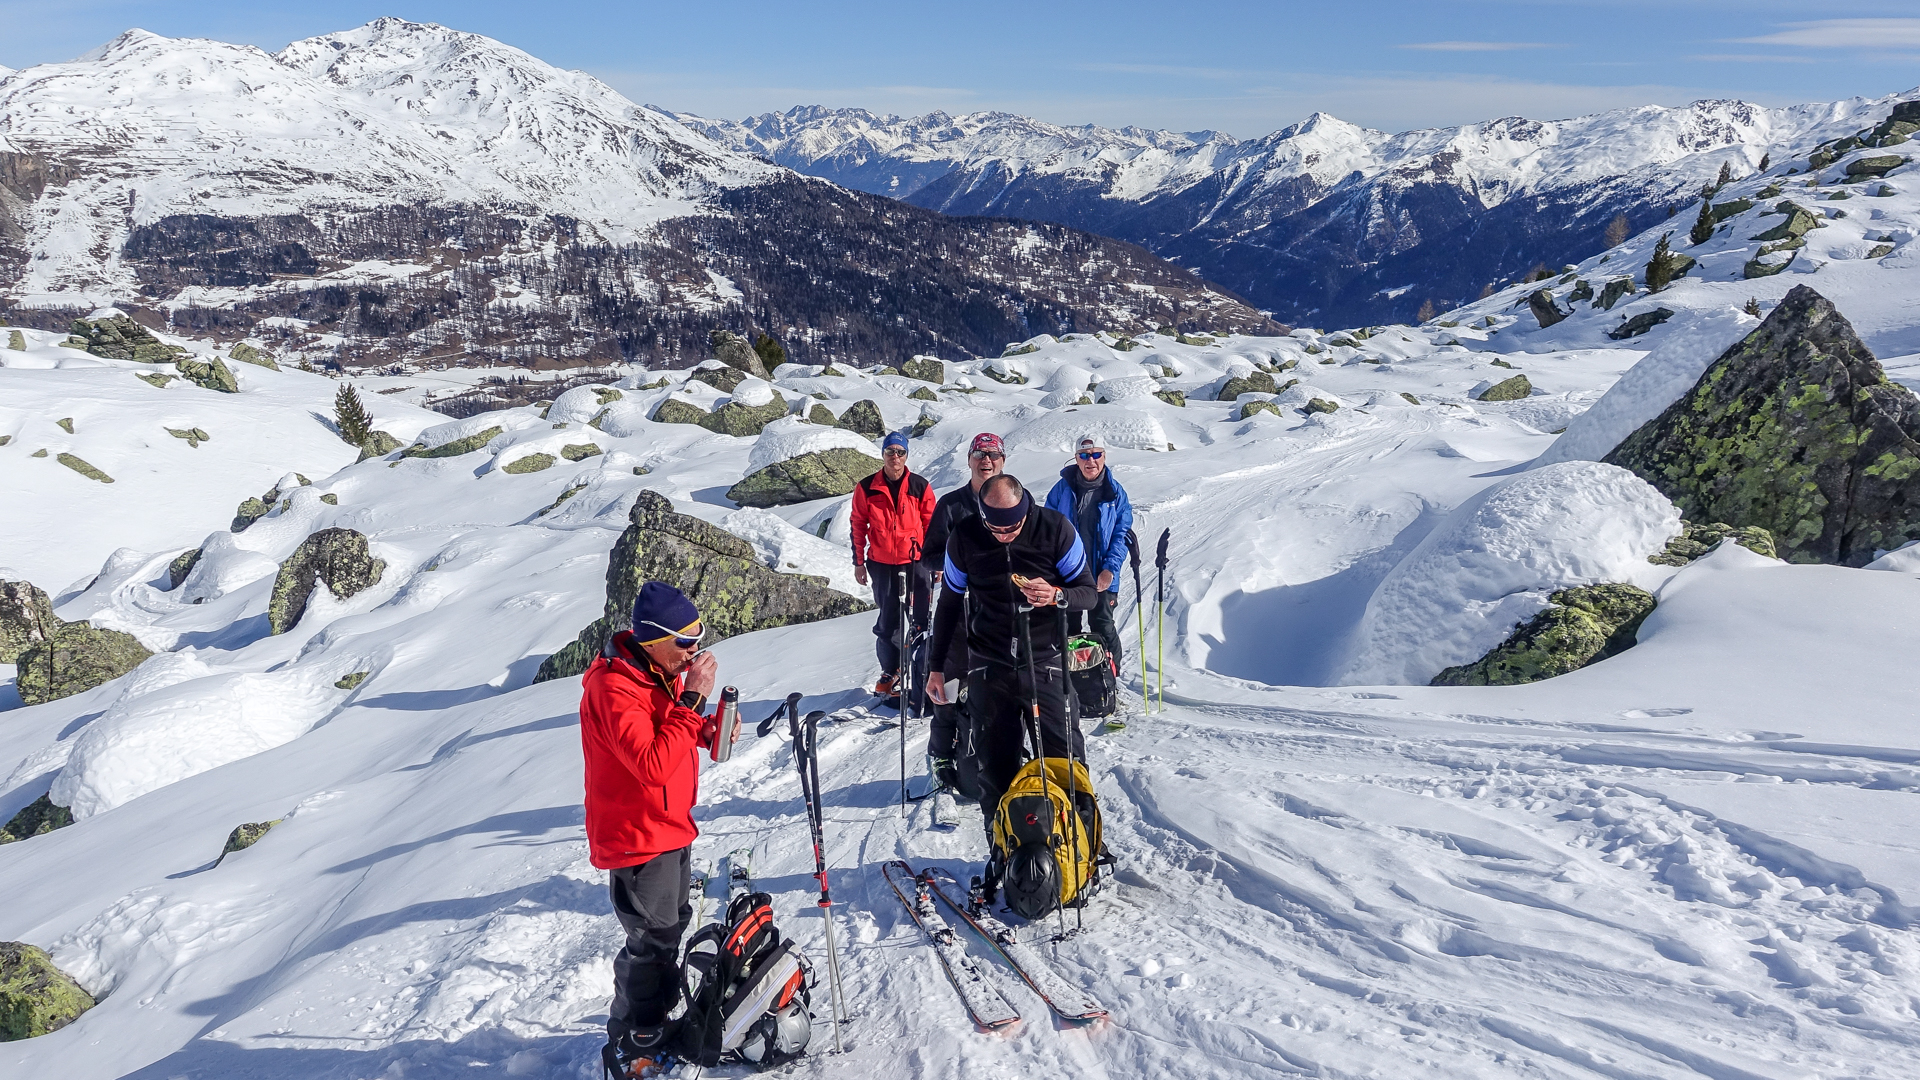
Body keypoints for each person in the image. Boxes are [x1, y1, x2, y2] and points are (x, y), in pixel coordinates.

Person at [580, 581, 729, 1078]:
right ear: (651, 640)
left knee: (669, 927)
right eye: (684, 641)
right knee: (652, 940)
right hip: (636, 835)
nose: (693, 651)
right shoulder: (613, 686)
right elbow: (650, 763)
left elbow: (665, 727)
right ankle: (629, 1040)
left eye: (699, 637)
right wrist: (691, 704)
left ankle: (652, 1024)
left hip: (667, 826)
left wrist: (705, 726)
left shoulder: (652, 671)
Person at [927, 474, 1097, 890]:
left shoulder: (1055, 529)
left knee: (1065, 764)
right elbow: (949, 601)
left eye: (1013, 527)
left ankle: (1081, 858)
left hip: (1046, 660)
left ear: (1026, 510)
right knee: (995, 769)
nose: (1005, 535)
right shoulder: (965, 537)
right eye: (995, 527)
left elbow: (1088, 592)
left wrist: (1057, 594)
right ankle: (1004, 855)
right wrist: (936, 666)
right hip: (990, 663)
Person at [917, 433, 1005, 786]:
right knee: (949, 684)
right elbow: (929, 556)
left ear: (1003, 460)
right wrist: (960, 563)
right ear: (969, 460)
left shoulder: (1012, 500)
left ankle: (996, 754)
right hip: (958, 610)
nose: (987, 461)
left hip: (998, 613)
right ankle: (940, 756)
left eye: (994, 455)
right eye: (980, 455)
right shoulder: (951, 505)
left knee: (1000, 685)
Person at [849, 431, 937, 706]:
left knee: (921, 620)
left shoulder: (920, 486)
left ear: (906, 455)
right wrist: (859, 562)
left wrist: (934, 561)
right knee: (889, 622)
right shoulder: (866, 487)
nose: (895, 457)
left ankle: (923, 673)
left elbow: (932, 526)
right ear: (883, 454)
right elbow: (858, 524)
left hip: (916, 562)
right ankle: (892, 671)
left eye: (900, 452)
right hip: (882, 563)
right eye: (891, 452)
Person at [1044, 434, 1133, 668]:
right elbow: (1047, 529)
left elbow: (1120, 534)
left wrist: (1110, 569)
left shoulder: (1115, 492)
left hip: (1101, 574)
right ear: (1076, 458)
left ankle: (1109, 679)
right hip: (1068, 575)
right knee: (1067, 628)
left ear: (1104, 456)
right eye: (1084, 455)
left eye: (1096, 454)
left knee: (1102, 625)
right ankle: (1073, 683)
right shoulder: (1061, 490)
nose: (1090, 461)